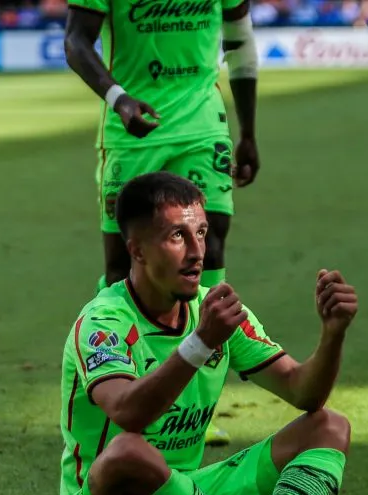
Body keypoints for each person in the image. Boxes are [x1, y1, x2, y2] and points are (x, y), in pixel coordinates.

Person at [57, 172, 367, 495]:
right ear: (137, 250)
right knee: (127, 453)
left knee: (329, 425)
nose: (197, 251)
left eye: (201, 233)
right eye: (177, 236)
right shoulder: (103, 322)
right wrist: (199, 344)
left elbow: (303, 392)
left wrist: (333, 334)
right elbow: (128, 413)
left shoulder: (212, 309)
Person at [64, 0, 261, 446]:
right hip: (133, 129)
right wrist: (117, 98)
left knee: (206, 249)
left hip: (202, 126)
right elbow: (76, 41)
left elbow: (240, 39)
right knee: (123, 264)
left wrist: (248, 132)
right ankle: (120, 385)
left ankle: (195, 405)